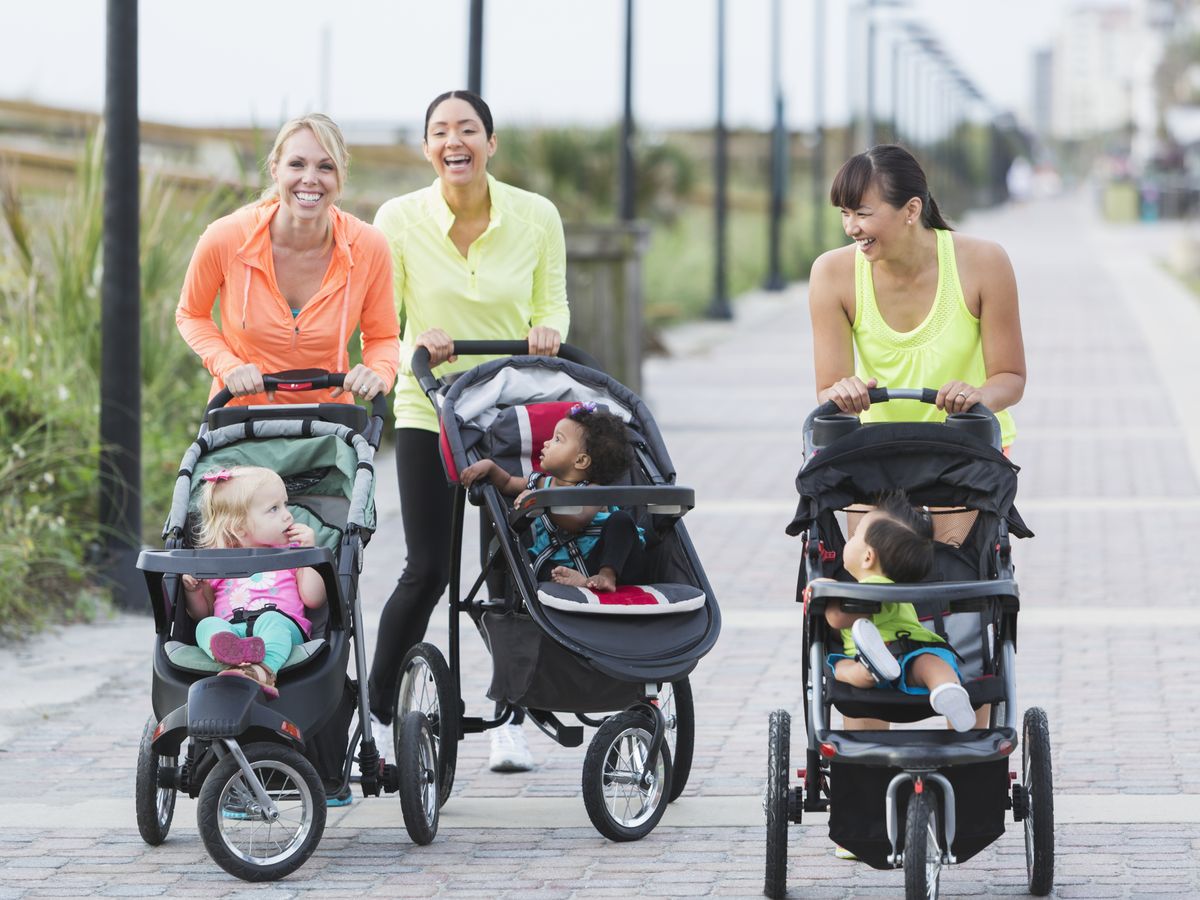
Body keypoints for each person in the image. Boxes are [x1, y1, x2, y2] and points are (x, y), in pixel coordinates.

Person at [370, 90, 570, 772]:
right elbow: (381, 324)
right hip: (430, 408)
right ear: (427, 148)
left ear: (490, 142)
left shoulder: (536, 215)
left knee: (508, 572)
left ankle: (509, 718)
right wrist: (417, 344)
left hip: (508, 411)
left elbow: (553, 304)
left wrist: (548, 332)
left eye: (468, 129)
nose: (454, 141)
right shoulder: (398, 219)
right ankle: (375, 716)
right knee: (426, 570)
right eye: (440, 131)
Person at [809, 143, 1025, 735]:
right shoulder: (833, 274)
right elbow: (828, 386)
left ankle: (972, 739)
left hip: (965, 458)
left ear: (911, 210)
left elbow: (1010, 377)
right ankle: (861, 762)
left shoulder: (982, 263)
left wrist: (976, 395)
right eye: (844, 214)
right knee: (865, 590)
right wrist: (844, 390)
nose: (852, 228)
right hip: (877, 463)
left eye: (863, 213)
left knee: (962, 595)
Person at [176, 113, 400, 406]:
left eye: (325, 167)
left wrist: (378, 373)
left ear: (341, 175)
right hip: (240, 417)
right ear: (275, 169)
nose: (310, 178)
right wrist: (227, 365)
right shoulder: (226, 237)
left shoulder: (368, 246)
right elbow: (191, 314)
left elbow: (382, 337)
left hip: (328, 421)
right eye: (296, 164)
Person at [820, 491, 975, 733]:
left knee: (839, 668)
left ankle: (868, 671)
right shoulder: (897, 585)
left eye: (855, 535)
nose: (851, 540)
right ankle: (947, 687)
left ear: (868, 557)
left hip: (868, 661)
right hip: (912, 650)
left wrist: (826, 589)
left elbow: (837, 618)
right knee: (930, 664)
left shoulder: (871, 586)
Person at [461, 403, 646, 592]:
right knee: (535, 564)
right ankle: (580, 582)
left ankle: (606, 576)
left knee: (621, 521)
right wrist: (491, 467)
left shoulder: (592, 491)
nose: (547, 443)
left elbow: (577, 521)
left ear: (581, 460)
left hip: (598, 560)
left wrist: (541, 502)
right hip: (559, 565)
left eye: (557, 439)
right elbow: (508, 483)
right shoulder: (542, 483)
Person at [181, 466, 327, 701]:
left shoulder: (291, 554)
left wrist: (307, 555)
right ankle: (233, 657)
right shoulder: (218, 561)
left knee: (271, 620)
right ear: (239, 527)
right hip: (232, 629)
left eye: (285, 505)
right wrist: (194, 590)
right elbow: (202, 613)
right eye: (274, 509)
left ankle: (263, 670)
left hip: (282, 626)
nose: (288, 515)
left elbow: (314, 598)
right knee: (206, 625)